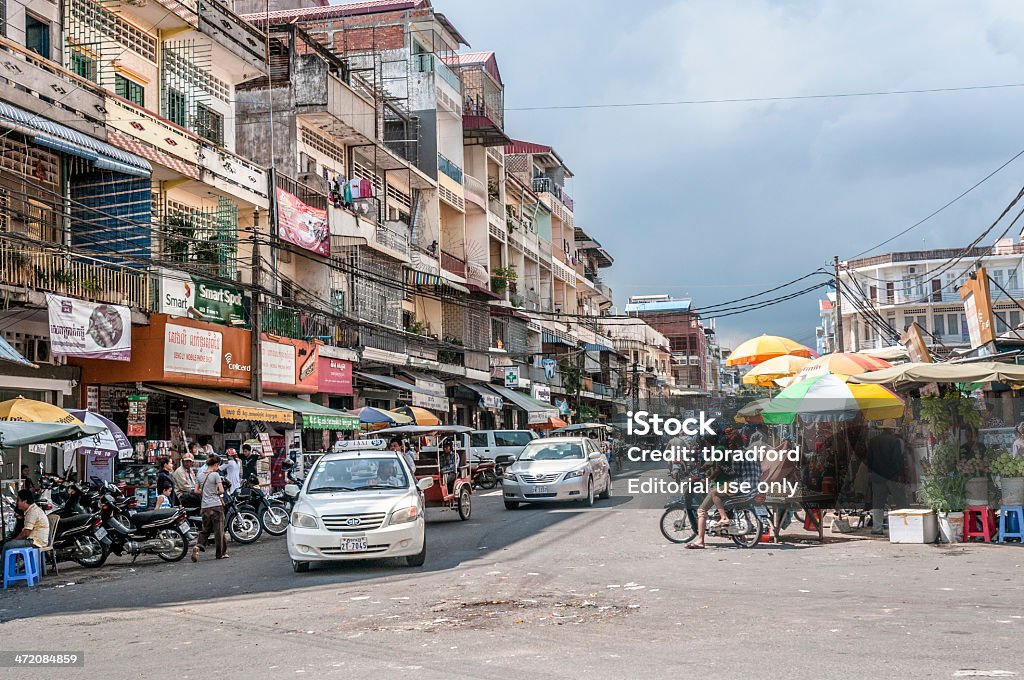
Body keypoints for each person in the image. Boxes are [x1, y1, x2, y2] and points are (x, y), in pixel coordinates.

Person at [687, 432, 761, 550]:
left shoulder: (736, 454)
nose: (729, 446)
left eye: (731, 443)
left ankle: (702, 538)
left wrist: (722, 468)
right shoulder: (752, 453)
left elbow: (734, 473)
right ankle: (739, 535)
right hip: (754, 487)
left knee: (709, 500)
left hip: (740, 486)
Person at [867, 422, 906, 535]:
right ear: (892, 430)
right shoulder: (895, 441)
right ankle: (903, 525)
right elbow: (897, 459)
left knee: (878, 502)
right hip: (892, 476)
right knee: (900, 501)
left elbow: (869, 459)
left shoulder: (873, 441)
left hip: (877, 476)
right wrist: (900, 475)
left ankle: (877, 527)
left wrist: (871, 472)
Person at [192, 455, 227, 561]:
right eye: (218, 466)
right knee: (219, 531)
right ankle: (220, 554)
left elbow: (196, 491)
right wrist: (215, 492)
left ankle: (198, 546)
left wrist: (205, 492)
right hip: (216, 506)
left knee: (205, 530)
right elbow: (221, 491)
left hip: (205, 507)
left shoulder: (200, 475)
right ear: (216, 465)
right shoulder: (215, 475)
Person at [3, 489, 49, 560]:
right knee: (9, 543)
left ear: (25, 501)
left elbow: (26, 533)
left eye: (18, 500)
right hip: (35, 540)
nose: (17, 503)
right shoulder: (31, 510)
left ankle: (3, 570)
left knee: (7, 545)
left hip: (36, 542)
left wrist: (14, 540)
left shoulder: (32, 512)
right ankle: (10, 568)